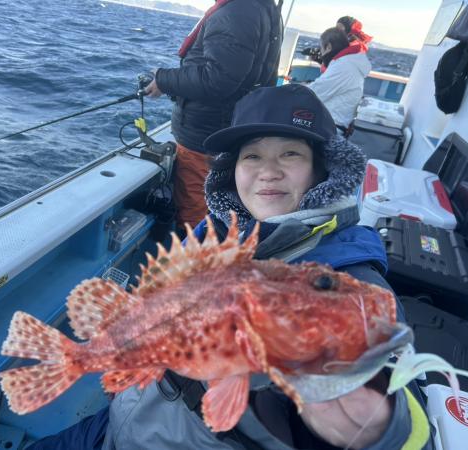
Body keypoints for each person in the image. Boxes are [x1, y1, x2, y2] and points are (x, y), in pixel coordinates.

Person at [29, 84, 432, 450]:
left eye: (290, 153)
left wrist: (381, 430)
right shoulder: (217, 233)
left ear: (323, 169)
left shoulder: (349, 282)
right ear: (231, 171)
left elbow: (405, 408)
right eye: (252, 155)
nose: (268, 171)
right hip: (122, 421)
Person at [144, 0, 283, 237]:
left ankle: (196, 256)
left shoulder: (236, 10)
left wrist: (163, 79)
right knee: (219, 209)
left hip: (204, 139)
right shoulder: (262, 8)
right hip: (227, 130)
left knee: (195, 212)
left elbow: (217, 79)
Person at [307, 27, 371, 131]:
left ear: (328, 47)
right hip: (330, 123)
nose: (321, 53)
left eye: (321, 48)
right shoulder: (347, 62)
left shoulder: (344, 65)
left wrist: (294, 89)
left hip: (329, 128)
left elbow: (314, 94)